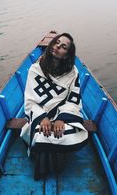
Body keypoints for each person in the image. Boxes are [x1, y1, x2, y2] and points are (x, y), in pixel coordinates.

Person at [20, 33, 88, 179]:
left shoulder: (72, 73)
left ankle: (58, 159)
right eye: (57, 42)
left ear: (66, 55)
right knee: (41, 131)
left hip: (62, 112)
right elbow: (30, 100)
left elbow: (73, 100)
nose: (58, 46)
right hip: (39, 113)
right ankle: (45, 165)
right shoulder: (35, 69)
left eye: (63, 46)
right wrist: (42, 118)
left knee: (69, 131)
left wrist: (61, 119)